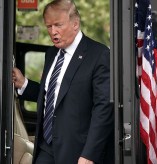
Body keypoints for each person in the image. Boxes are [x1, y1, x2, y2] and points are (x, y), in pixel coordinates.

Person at [13, 0, 114, 163]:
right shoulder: (51, 53)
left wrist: (89, 154)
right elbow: (54, 95)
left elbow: (103, 108)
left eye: (58, 25)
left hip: (77, 150)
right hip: (46, 147)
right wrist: (24, 84)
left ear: (75, 23)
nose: (53, 32)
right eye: (49, 26)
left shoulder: (99, 55)